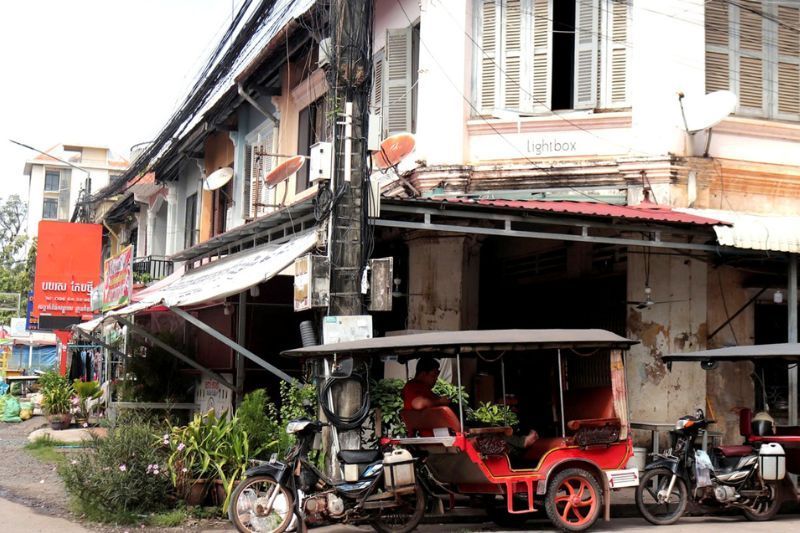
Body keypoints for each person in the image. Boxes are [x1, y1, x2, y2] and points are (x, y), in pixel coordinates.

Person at [402, 356, 539, 449]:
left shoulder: (422, 388)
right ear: (423, 373)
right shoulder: (413, 387)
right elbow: (418, 404)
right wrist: (440, 400)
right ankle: (522, 442)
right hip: (444, 433)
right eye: (434, 375)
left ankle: (518, 442)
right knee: (488, 429)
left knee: (485, 424)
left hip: (443, 429)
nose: (436, 379)